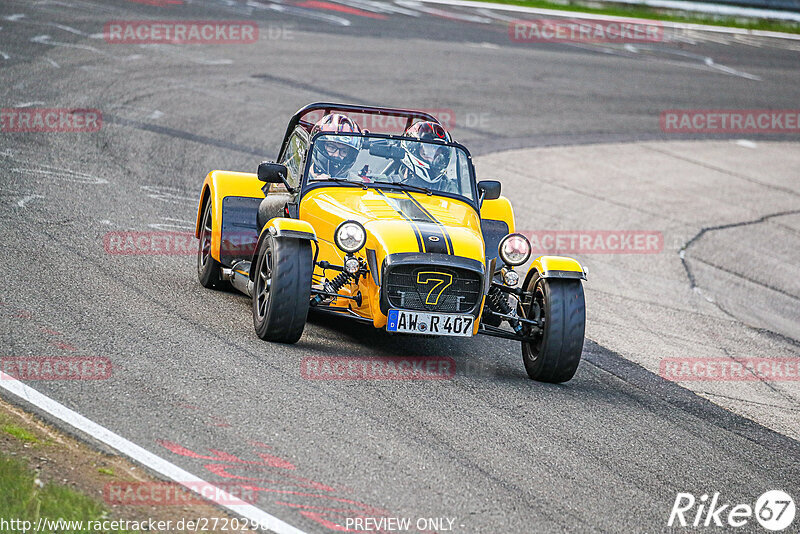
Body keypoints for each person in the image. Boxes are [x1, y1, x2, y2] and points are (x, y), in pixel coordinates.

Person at [397, 121, 456, 192]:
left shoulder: (450, 188)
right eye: (429, 151)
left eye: (440, 154)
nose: (435, 159)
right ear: (413, 149)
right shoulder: (388, 184)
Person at [309, 113, 362, 179]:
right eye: (332, 147)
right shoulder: (301, 178)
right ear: (321, 146)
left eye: (343, 151)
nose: (336, 155)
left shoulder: (357, 183)